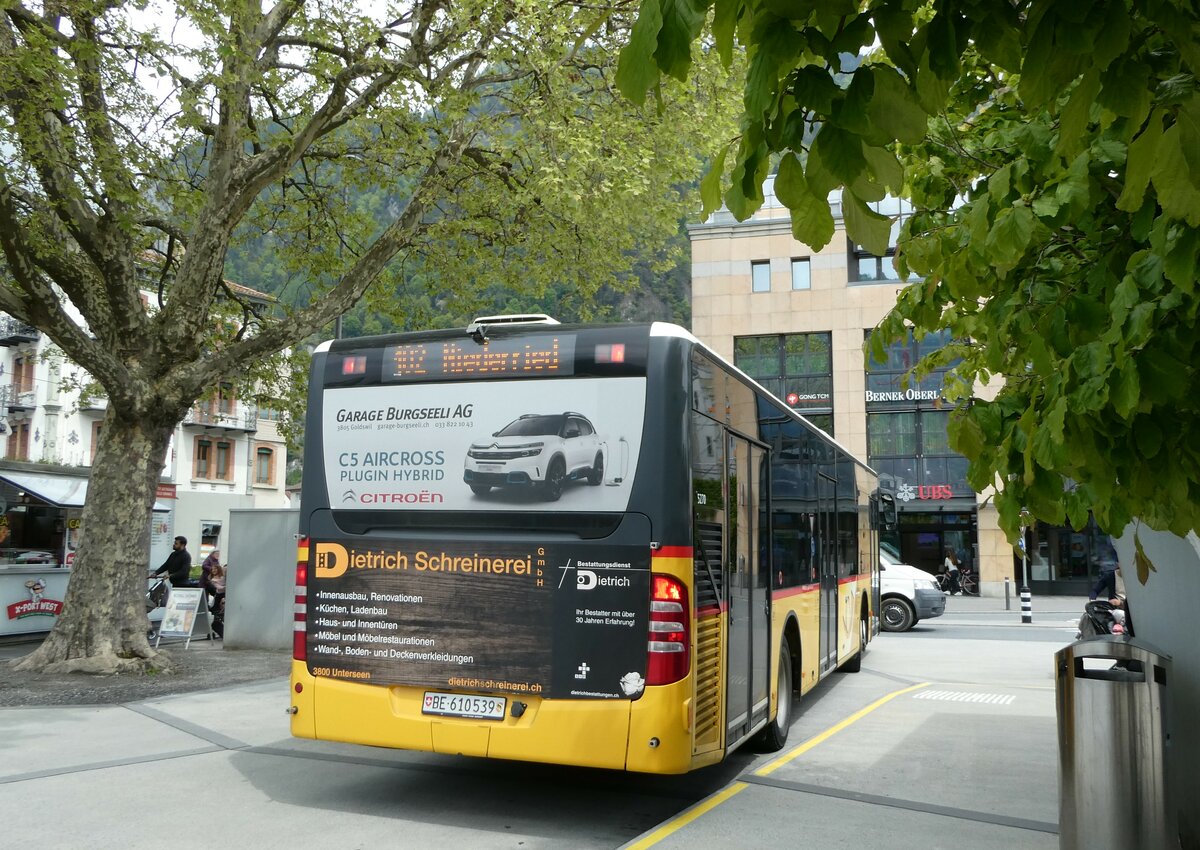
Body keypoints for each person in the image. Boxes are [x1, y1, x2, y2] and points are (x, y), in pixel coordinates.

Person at [1088, 535, 1120, 601]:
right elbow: (1095, 590)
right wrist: (1092, 599)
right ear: (1117, 564)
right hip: (1114, 607)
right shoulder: (1110, 576)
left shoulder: (1132, 578)